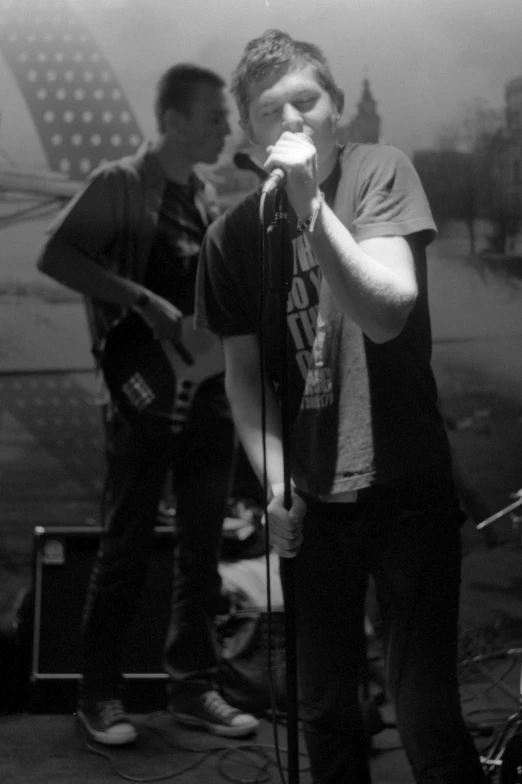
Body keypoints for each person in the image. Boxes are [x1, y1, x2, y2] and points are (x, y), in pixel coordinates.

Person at [195, 29, 488, 784]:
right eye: (270, 112)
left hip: (406, 489)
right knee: (325, 715)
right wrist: (274, 485)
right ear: (250, 134)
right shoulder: (232, 239)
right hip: (314, 508)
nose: (292, 120)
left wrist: (309, 206)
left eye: (307, 102)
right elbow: (244, 382)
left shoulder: (378, 171)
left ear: (337, 112)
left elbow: (388, 309)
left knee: (426, 715)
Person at [37, 63, 259, 745]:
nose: (227, 127)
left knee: (200, 551)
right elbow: (56, 257)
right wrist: (143, 301)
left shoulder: (204, 197)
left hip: (206, 399)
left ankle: (193, 687)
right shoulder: (121, 185)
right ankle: (98, 696)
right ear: (173, 121)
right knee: (127, 547)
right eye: (215, 116)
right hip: (142, 397)